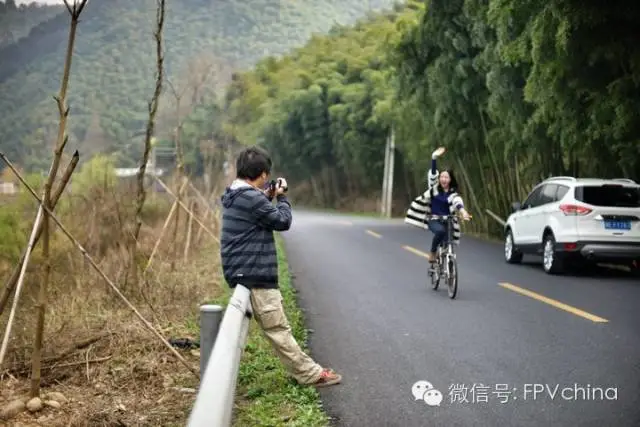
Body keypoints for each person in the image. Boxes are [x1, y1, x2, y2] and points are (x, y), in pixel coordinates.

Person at [220, 145, 342, 388]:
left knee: (277, 327)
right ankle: (310, 374)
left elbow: (256, 214)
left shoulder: (235, 195)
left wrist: (268, 197)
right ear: (263, 174)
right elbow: (282, 221)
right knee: (278, 328)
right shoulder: (251, 198)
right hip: (254, 272)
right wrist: (283, 197)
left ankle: (306, 371)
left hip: (242, 270)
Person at [404, 146, 472, 262]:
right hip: (434, 220)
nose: (443, 179)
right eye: (442, 177)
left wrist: (463, 211)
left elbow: (457, 202)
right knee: (440, 231)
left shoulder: (452, 193)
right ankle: (433, 252)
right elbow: (433, 174)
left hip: (448, 221)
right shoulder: (434, 189)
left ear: (450, 180)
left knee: (448, 241)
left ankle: (447, 264)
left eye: (446, 177)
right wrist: (434, 158)